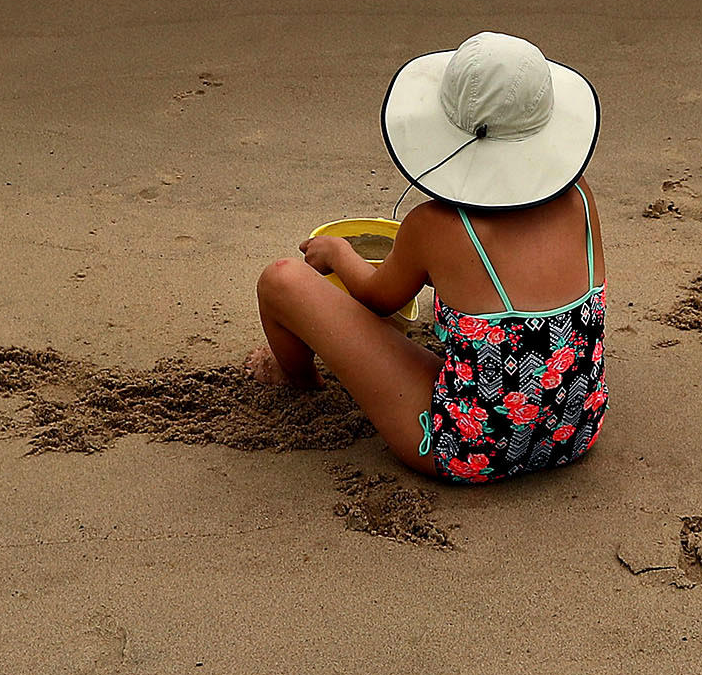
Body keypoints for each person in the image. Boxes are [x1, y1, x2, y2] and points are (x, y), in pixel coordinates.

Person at [248, 31, 607, 483]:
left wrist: (338, 253)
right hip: (574, 431)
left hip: (464, 449)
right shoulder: (581, 199)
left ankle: (295, 380)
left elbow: (377, 297)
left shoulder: (434, 227)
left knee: (281, 280)